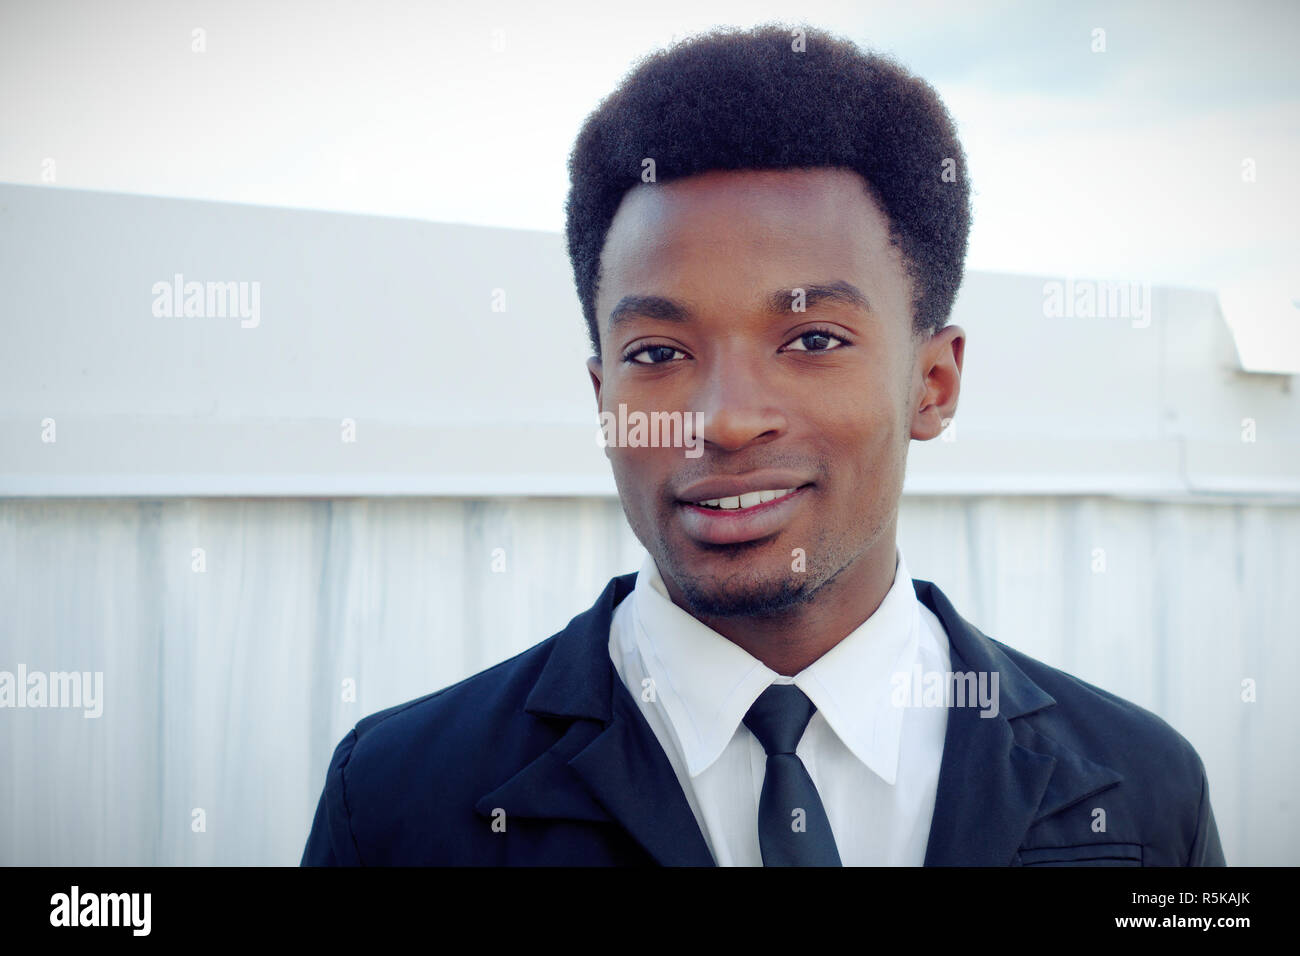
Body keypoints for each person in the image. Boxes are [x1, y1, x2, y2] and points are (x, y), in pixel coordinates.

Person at [301, 22, 1224, 866]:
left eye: (812, 341)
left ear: (932, 385)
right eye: (657, 353)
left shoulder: (1144, 794)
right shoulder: (395, 805)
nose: (728, 419)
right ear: (603, 399)